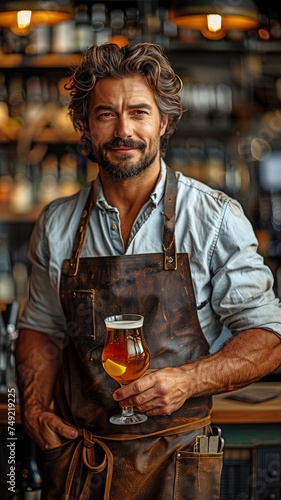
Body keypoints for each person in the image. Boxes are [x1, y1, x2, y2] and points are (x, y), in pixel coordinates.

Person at [15, 42, 281, 500]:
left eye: (139, 112)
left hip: (182, 465)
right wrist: (35, 409)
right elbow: (40, 328)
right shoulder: (57, 224)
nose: (124, 130)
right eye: (105, 115)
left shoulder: (214, 218)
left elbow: (269, 336)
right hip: (83, 462)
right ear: (85, 126)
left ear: (164, 121)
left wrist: (188, 380)